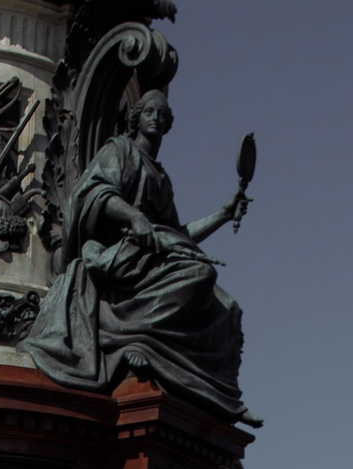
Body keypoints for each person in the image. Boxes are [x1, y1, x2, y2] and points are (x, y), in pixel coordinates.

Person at [20, 89, 256, 425]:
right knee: (202, 275)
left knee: (226, 306)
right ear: (137, 118)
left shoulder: (161, 178)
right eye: (150, 112)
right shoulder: (119, 150)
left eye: (162, 114)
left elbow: (177, 234)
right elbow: (95, 192)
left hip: (148, 259)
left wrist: (223, 213)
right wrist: (133, 217)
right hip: (117, 254)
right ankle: (133, 341)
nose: (156, 118)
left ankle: (223, 395)